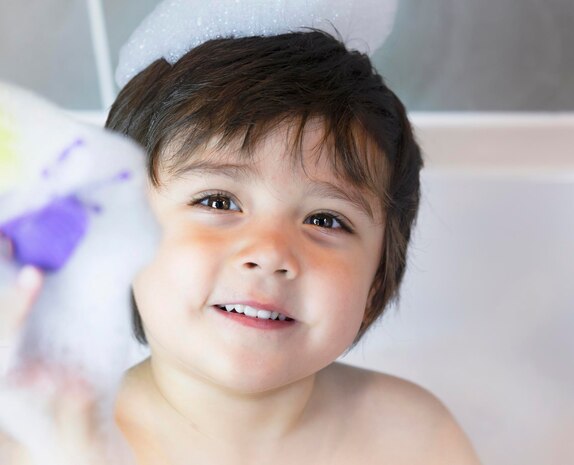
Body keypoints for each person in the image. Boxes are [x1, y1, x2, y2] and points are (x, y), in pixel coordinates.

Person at [1, 4, 481, 465]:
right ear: (122, 238)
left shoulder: (413, 437)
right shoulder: (56, 441)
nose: (270, 252)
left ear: (376, 283)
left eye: (327, 220)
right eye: (218, 202)